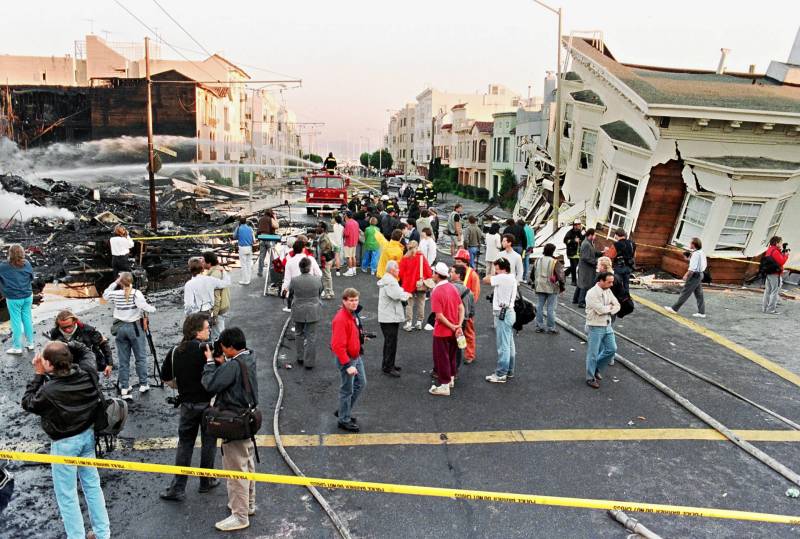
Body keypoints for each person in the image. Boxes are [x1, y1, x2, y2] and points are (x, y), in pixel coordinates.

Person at [21, 341, 111, 539]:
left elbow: (28, 402)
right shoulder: (88, 372)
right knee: (92, 485)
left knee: (67, 496)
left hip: (64, 444)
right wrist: (64, 346)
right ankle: (102, 533)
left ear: (50, 365)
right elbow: (86, 349)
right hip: (88, 436)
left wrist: (38, 374)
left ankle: (76, 536)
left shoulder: (49, 391)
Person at [159, 313, 219, 502]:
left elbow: (166, 378)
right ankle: (206, 481)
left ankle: (178, 488)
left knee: (185, 444)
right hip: (208, 404)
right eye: (207, 328)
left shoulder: (176, 351)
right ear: (197, 331)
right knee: (209, 443)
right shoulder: (208, 350)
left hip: (187, 405)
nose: (209, 330)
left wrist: (182, 387)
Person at [102, 272, 156, 400]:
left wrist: (116, 282)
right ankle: (143, 383)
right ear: (132, 281)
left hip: (120, 329)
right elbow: (144, 307)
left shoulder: (115, 294)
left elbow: (105, 294)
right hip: (134, 328)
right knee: (140, 357)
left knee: (123, 360)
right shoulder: (136, 293)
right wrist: (153, 308)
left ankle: (125, 387)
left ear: (120, 282)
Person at [330, 288, 367, 432]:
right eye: (351, 300)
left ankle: (343, 411)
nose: (354, 303)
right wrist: (347, 365)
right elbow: (337, 346)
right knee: (347, 390)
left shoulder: (352, 315)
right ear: (344, 301)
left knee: (361, 384)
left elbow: (353, 333)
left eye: (356, 300)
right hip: (348, 360)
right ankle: (343, 419)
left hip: (355, 356)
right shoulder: (341, 319)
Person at [428, 262, 464, 396]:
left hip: (442, 331)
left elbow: (439, 316)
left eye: (434, 272)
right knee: (452, 356)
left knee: (441, 358)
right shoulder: (452, 287)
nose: (432, 274)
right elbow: (461, 308)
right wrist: (458, 325)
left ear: (438, 275)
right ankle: (451, 379)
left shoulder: (436, 291)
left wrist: (452, 326)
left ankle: (444, 384)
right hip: (454, 331)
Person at [483, 257, 517, 383]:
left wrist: (493, 273)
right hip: (509, 312)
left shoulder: (502, 277)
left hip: (502, 313)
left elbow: (485, 279)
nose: (495, 271)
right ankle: (509, 370)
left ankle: (501, 373)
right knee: (509, 344)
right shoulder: (511, 277)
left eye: (497, 269)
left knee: (503, 346)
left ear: (502, 269)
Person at [48, 311, 113, 376]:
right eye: (63, 328)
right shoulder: (55, 333)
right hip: (71, 366)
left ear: (74, 321)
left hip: (90, 363)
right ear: (58, 324)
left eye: (69, 326)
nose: (67, 330)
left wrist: (109, 364)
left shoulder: (87, 330)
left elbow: (103, 344)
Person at [585, 272, 620, 389]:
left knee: (612, 349)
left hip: (607, 325)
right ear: (601, 281)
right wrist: (610, 308)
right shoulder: (591, 293)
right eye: (609, 282)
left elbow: (617, 305)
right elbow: (600, 310)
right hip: (595, 326)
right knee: (593, 353)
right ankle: (590, 378)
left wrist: (609, 308)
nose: (611, 284)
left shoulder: (608, 290)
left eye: (612, 281)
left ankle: (595, 368)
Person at [377, 260, 411, 377]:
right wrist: (408, 295)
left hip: (387, 316)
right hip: (389, 317)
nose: (399, 271)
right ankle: (388, 367)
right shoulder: (391, 282)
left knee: (389, 342)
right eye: (397, 269)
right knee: (391, 342)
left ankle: (388, 364)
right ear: (392, 270)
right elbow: (397, 295)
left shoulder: (388, 280)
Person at [0, 244, 35, 355]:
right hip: (28, 296)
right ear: (22, 253)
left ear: (9, 254)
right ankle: (30, 343)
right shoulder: (27, 264)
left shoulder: (3, 266)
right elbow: (31, 278)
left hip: (13, 298)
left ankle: (17, 347)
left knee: (16, 322)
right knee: (27, 319)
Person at [290, 257, 324, 369]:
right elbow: (320, 292)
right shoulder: (317, 280)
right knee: (311, 336)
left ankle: (300, 357)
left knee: (299, 334)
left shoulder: (294, 280)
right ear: (309, 268)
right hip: (313, 310)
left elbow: (291, 293)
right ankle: (309, 362)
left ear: (300, 268)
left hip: (298, 310)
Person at [664, 237, 707, 318]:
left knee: (685, 292)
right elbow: (699, 264)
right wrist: (688, 259)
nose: (689, 244)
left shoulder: (695, 254)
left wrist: (686, 275)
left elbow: (692, 268)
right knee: (699, 294)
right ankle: (702, 312)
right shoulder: (701, 252)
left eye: (690, 243)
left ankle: (674, 309)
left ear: (694, 245)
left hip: (694, 275)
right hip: (700, 274)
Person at [453, 249, 480, 364]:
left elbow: (475, 294)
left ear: (465, 262)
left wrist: (467, 310)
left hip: (466, 310)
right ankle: (457, 353)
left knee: (468, 332)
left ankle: (470, 355)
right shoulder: (457, 272)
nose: (456, 263)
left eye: (459, 261)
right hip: (456, 309)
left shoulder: (473, 275)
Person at [398, 241, 432, 331]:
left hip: (408, 284)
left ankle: (409, 323)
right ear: (417, 247)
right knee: (421, 302)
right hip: (420, 283)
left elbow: (400, 273)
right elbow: (428, 271)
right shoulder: (421, 257)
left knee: (409, 304)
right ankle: (419, 322)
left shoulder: (405, 258)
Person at [532, 243, 565, 334]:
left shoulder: (538, 260)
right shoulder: (555, 262)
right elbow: (560, 276)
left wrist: (534, 283)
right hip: (551, 287)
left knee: (539, 306)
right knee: (551, 308)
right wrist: (562, 287)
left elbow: (532, 274)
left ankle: (539, 326)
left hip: (539, 286)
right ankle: (551, 327)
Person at [449, 265, 475, 369]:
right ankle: (455, 369)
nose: (450, 273)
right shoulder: (469, 291)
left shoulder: (450, 288)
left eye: (452, 272)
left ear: (458, 275)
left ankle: (445, 370)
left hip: (450, 320)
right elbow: (472, 310)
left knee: (446, 345)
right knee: (458, 345)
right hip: (463, 321)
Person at [202, 251, 232, 340]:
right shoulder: (219, 269)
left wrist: (213, 316)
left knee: (217, 335)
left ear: (209, 263)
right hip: (224, 306)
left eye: (203, 261)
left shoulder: (214, 276)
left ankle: (220, 352)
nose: (201, 263)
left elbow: (216, 297)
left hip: (219, 309)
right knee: (220, 331)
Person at [762, 236, 790, 314]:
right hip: (775, 274)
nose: (781, 244)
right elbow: (781, 262)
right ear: (777, 243)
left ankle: (765, 308)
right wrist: (786, 255)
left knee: (768, 291)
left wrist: (781, 253)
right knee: (775, 291)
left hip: (768, 273)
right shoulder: (775, 251)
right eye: (780, 242)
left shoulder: (769, 250)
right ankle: (771, 309)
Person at [605, 228, 636, 295]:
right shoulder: (632, 243)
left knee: (617, 284)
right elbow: (634, 255)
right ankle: (626, 300)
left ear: (616, 235)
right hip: (628, 267)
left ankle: (618, 299)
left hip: (619, 268)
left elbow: (611, 256)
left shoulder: (617, 244)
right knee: (626, 285)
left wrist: (607, 250)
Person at [575, 228, 600, 308]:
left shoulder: (589, 243)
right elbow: (585, 257)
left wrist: (601, 253)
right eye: (594, 235)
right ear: (590, 235)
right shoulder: (586, 244)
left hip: (587, 267)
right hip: (586, 268)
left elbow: (593, 252)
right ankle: (581, 302)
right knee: (585, 284)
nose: (595, 236)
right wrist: (596, 263)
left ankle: (575, 299)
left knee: (581, 283)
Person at [256, 209, 279, 278]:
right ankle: (272, 273)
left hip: (261, 238)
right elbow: (277, 226)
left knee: (262, 256)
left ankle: (260, 272)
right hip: (269, 239)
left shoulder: (261, 219)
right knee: (272, 257)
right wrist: (275, 218)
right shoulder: (270, 219)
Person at [232, 217, 255, 285]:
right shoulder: (250, 228)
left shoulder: (238, 228)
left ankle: (245, 280)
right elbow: (254, 240)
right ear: (246, 222)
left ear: (240, 222)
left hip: (242, 248)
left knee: (243, 265)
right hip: (249, 247)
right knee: (248, 263)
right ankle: (249, 279)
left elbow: (234, 236)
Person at [316, 222, 336, 299]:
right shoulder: (323, 236)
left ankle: (329, 293)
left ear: (323, 229)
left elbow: (324, 249)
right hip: (327, 259)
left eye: (318, 227)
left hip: (325, 259)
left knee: (327, 275)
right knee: (326, 275)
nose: (316, 228)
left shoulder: (324, 238)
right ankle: (328, 292)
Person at [563, 219, 585, 286]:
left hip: (578, 253)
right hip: (572, 252)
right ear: (574, 225)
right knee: (574, 266)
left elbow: (582, 240)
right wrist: (573, 240)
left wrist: (584, 235)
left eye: (579, 224)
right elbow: (565, 240)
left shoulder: (580, 232)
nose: (578, 226)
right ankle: (574, 281)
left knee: (574, 266)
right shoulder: (570, 232)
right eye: (577, 224)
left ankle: (564, 273)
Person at [342, 211, 360, 276]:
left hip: (348, 242)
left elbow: (346, 234)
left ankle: (350, 271)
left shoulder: (348, 223)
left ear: (346, 216)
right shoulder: (356, 222)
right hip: (354, 241)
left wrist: (343, 231)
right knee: (353, 256)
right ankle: (354, 270)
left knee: (349, 257)